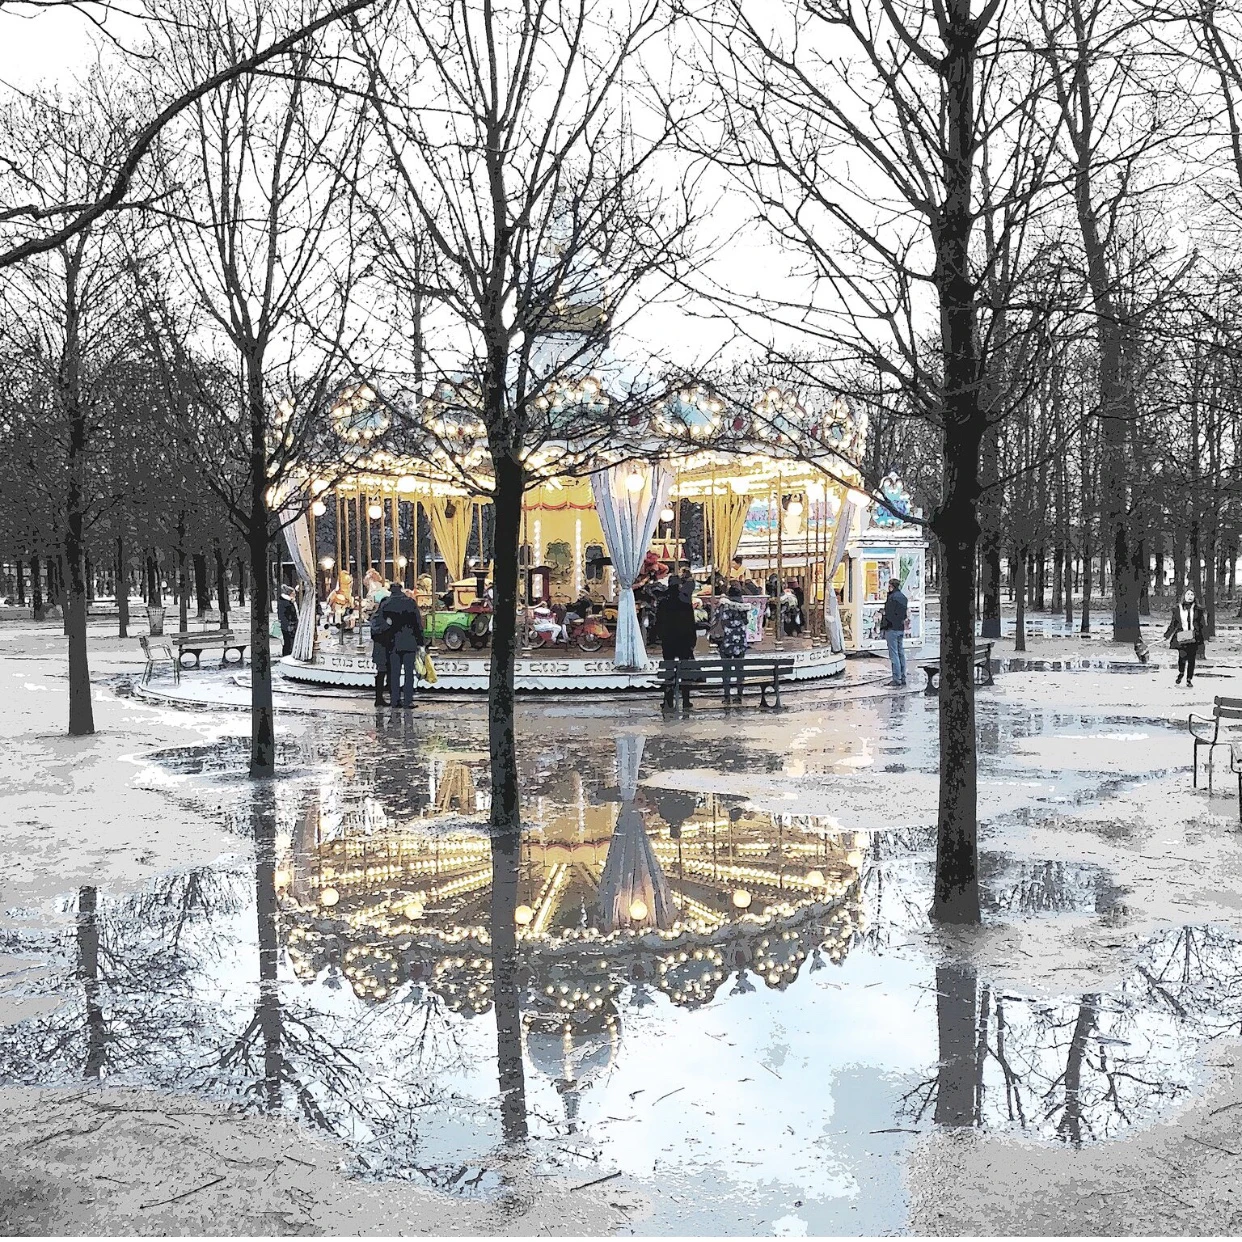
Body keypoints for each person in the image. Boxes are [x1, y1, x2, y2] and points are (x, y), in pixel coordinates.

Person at [656, 569, 698, 711]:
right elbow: (691, 622)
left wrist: (660, 636)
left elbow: (659, 622)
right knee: (685, 669)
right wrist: (692, 640)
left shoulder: (663, 601)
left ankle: (668, 700)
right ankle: (686, 700)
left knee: (669, 669)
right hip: (684, 640)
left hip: (669, 640)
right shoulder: (685, 601)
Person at [379, 581, 425, 708]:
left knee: (394, 673)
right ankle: (408, 700)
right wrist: (421, 641)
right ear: (401, 589)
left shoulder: (386, 604)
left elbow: (381, 623)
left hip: (392, 643)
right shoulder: (410, 603)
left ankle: (395, 700)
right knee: (409, 673)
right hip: (409, 641)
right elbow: (417, 623)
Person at [1164, 588, 1207, 687]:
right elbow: (1173, 624)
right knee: (1182, 656)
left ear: (1194, 596)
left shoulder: (1198, 609)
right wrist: (1167, 635)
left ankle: (1189, 679)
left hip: (1194, 636)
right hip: (1182, 635)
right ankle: (1181, 673)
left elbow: (1202, 624)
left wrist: (1204, 637)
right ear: (1184, 596)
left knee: (1192, 658)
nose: (1190, 596)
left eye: (1192, 594)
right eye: (1188, 594)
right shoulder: (1177, 609)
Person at [717, 583, 751, 702]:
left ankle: (727, 696)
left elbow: (718, 620)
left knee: (726, 670)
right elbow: (746, 622)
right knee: (739, 669)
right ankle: (739, 695)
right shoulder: (743, 607)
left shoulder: (724, 606)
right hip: (740, 642)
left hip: (726, 641)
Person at [879, 576, 908, 686]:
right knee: (901, 653)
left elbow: (889, 614)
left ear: (891, 586)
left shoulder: (892, 598)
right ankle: (903, 676)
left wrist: (884, 624)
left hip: (891, 629)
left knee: (894, 654)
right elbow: (903, 614)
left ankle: (896, 678)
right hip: (900, 627)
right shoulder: (903, 597)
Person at [277, 585, 298, 656]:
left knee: (288, 641)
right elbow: (286, 615)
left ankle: (287, 653)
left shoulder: (286, 602)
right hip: (288, 625)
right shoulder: (287, 603)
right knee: (288, 641)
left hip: (287, 625)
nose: (295, 594)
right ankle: (287, 654)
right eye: (293, 593)